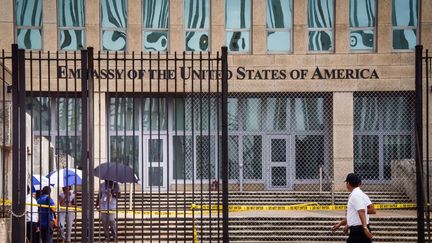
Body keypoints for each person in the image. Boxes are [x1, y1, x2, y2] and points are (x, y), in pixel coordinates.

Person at [332, 173, 374, 243]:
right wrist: (342, 224)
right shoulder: (362, 195)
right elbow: (372, 210)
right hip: (360, 230)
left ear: (348, 183)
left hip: (358, 231)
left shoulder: (355, 195)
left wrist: (365, 228)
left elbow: (361, 211)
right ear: (359, 183)